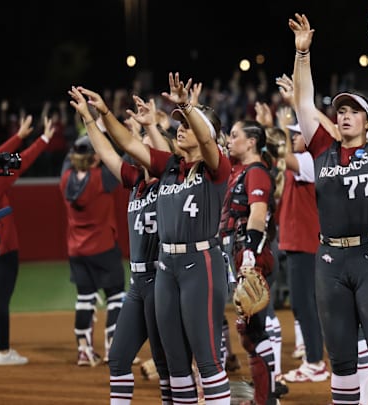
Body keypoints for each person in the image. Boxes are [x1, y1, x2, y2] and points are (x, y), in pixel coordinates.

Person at [75, 72, 232, 404]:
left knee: (205, 359)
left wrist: (188, 107)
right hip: (166, 268)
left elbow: (206, 142)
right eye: (180, 123)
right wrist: (102, 113)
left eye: (188, 124)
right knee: (175, 365)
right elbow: (128, 145)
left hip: (200, 264)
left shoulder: (216, 167)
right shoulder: (170, 167)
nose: (181, 128)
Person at [289, 5, 368, 404]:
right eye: (340, 110)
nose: (344, 116)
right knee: (340, 359)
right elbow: (303, 102)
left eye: (353, 111)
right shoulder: (322, 149)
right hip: (330, 260)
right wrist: (302, 53)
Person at [68, 86, 173, 403]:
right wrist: (89, 119)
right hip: (137, 284)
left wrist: (150, 128)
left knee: (167, 365)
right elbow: (110, 153)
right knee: (118, 358)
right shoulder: (134, 181)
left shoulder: (170, 181)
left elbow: (163, 155)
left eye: (142, 147)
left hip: (161, 281)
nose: (135, 150)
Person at [0, 115, 55, 367]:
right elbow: (22, 161)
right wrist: (44, 138)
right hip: (3, 245)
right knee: (1, 301)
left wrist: (19, 136)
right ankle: (4, 352)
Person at [219, 116, 285, 405]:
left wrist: (248, 255)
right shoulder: (237, 168)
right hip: (241, 256)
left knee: (254, 331)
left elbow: (258, 214)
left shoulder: (256, 171)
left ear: (252, 142)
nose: (229, 140)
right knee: (248, 333)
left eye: (235, 135)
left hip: (253, 257)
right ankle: (265, 393)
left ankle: (267, 397)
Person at [59, 128, 125, 367]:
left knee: (85, 298)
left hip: (76, 250)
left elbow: (69, 159)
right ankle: (112, 349)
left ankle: (84, 351)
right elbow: (119, 158)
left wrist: (85, 135)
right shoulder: (102, 179)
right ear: (95, 157)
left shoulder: (65, 179)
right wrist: (102, 131)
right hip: (103, 247)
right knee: (116, 295)